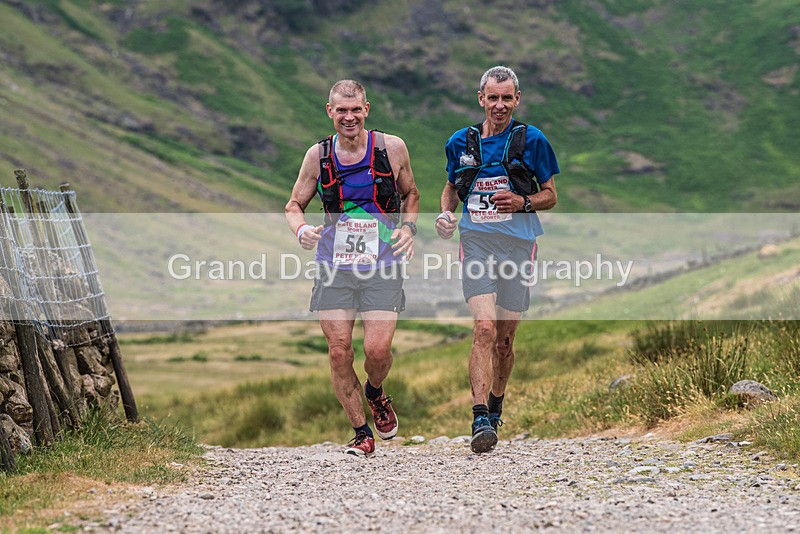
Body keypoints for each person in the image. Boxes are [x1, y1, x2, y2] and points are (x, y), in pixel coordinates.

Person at [285, 79, 419, 457]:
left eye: (355, 109)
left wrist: (408, 228)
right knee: (339, 352)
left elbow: (411, 193)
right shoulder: (318, 156)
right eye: (341, 110)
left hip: (384, 264)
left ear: (366, 109)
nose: (348, 117)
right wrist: (302, 230)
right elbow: (294, 204)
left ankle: (375, 393)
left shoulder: (392, 149)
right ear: (330, 111)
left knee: (377, 351)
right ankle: (362, 433)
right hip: (334, 265)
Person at [436, 66, 559, 453]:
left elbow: (551, 195)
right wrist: (446, 214)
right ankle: (478, 418)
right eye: (493, 97)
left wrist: (523, 201)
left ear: (517, 99)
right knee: (485, 328)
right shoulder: (460, 141)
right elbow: (451, 187)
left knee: (504, 341)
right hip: (476, 242)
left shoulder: (532, 140)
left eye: (507, 98)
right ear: (481, 99)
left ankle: (496, 404)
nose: (500, 105)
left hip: (519, 245)